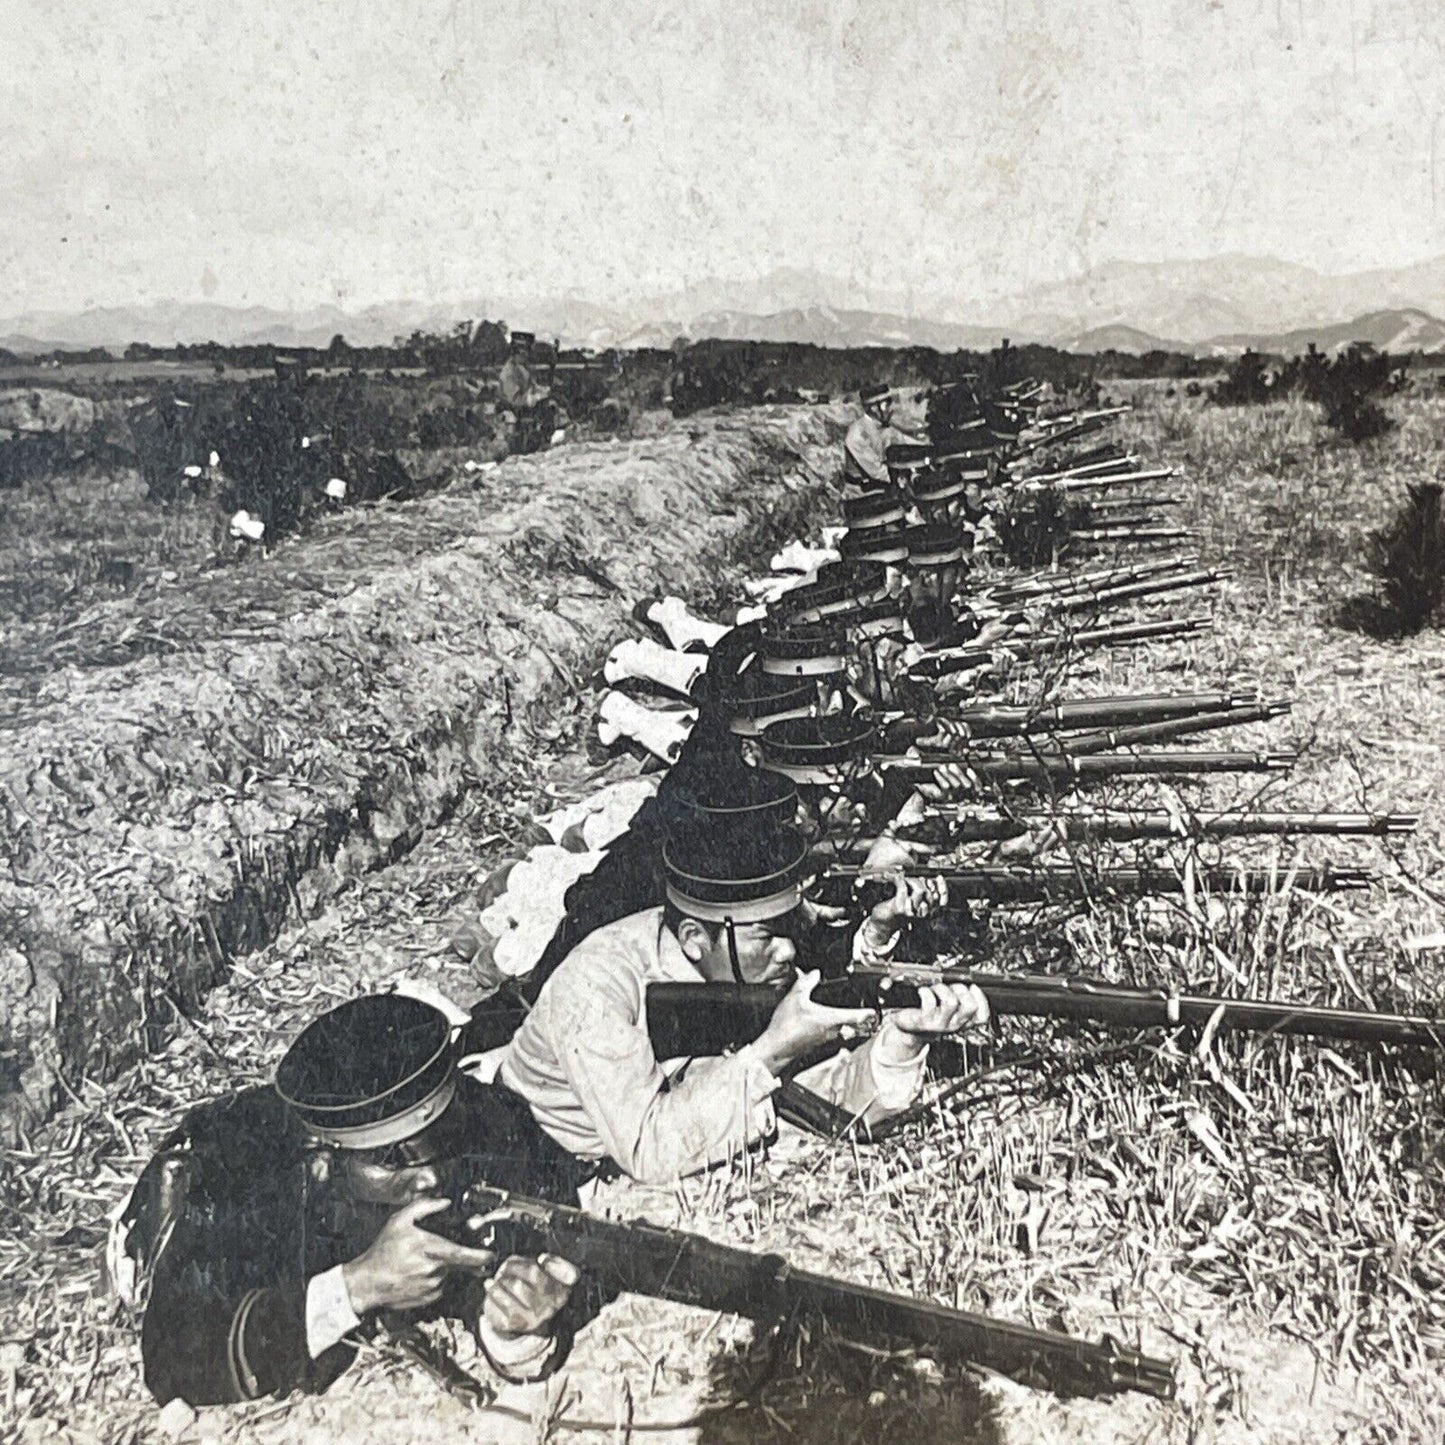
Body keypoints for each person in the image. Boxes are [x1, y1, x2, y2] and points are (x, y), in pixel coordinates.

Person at [111, 995, 584, 1408]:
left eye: (442, 1140)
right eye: (394, 1159)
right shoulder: (247, 1189)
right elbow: (173, 1360)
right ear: (323, 1164)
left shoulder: (488, 1123)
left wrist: (514, 1328)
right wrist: (356, 1287)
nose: (432, 1176)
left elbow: (510, 1284)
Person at [498, 816, 989, 1185]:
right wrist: (772, 1049)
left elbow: (814, 1100)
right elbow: (649, 1151)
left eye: (790, 928)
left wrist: (901, 1041)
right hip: (543, 1155)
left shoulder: (730, 960)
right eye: (768, 938)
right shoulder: (594, 991)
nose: (790, 950)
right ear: (694, 937)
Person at [843, 382, 906, 489]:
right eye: (886, 404)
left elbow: (907, 448)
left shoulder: (886, 429)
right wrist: (904, 477)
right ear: (873, 408)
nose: (891, 409)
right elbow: (876, 471)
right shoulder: (856, 434)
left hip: (886, 486)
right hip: (863, 494)